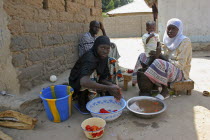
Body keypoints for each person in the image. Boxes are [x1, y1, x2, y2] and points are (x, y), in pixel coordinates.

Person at [133, 18, 192, 100]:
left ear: (179, 30)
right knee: (143, 56)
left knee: (158, 62)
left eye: (173, 28)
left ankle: (165, 91)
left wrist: (160, 56)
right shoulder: (166, 39)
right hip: (167, 67)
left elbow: (180, 66)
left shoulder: (185, 41)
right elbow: (161, 55)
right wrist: (154, 53)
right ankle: (150, 84)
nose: (170, 31)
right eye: (169, 28)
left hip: (180, 73)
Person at [69, 36, 122, 113]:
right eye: (102, 48)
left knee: (113, 61)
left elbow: (102, 78)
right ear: (96, 46)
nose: (105, 51)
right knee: (91, 74)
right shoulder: (90, 57)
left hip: (93, 78)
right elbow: (83, 82)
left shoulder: (104, 57)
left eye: (107, 48)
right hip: (76, 82)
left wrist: (112, 86)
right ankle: (82, 101)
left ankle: (100, 94)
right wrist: (108, 88)